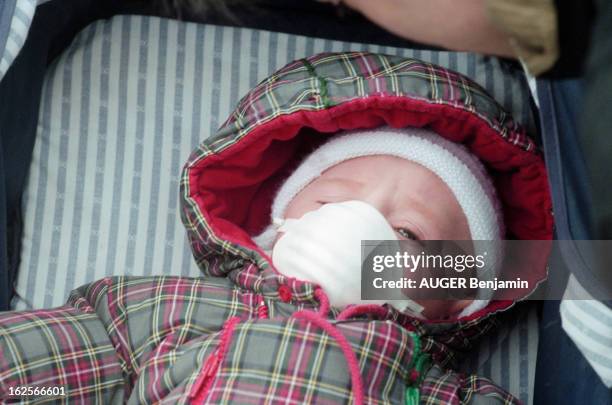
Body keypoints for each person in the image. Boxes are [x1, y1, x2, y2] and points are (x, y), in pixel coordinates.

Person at [0, 53, 552, 403]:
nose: (360, 228)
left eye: (408, 234)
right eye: (333, 200)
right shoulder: (167, 311)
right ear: (275, 227)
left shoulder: (434, 388)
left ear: (457, 298)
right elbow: (48, 367)